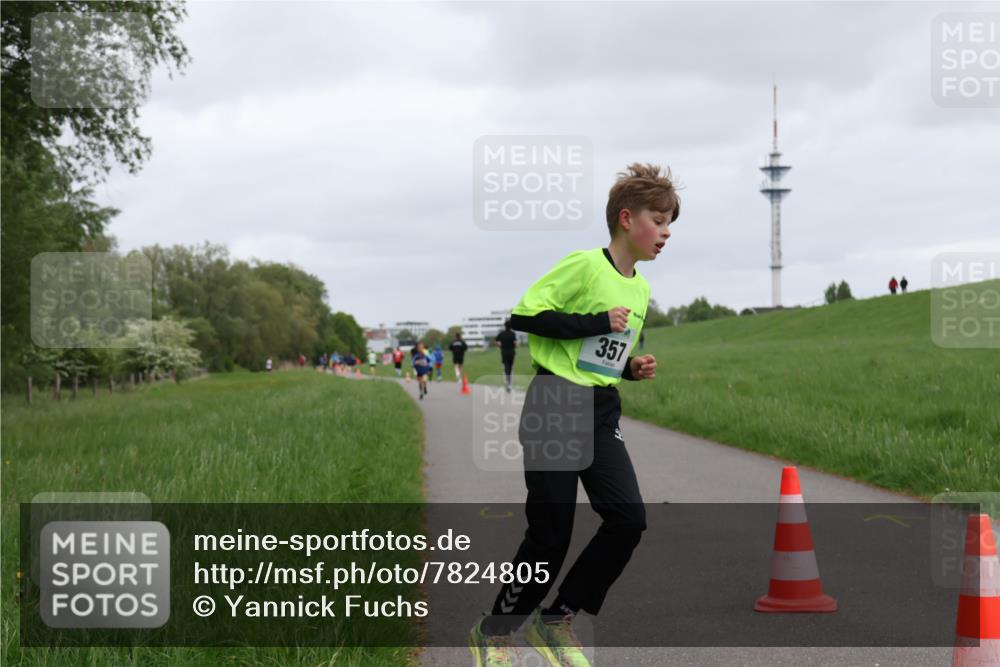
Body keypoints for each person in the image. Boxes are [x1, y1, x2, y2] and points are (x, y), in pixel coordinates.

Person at [468, 163, 673, 667]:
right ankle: (494, 634)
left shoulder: (641, 288)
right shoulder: (584, 265)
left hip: (601, 409)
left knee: (628, 520)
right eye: (659, 220)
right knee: (551, 534)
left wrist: (628, 368)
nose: (666, 233)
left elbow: (597, 353)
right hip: (555, 403)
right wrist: (595, 319)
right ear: (627, 219)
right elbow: (526, 316)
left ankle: (557, 617)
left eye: (671, 223)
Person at [494, 319, 517, 393]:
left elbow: (496, 341)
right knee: (510, 368)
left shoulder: (502, 334)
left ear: (505, 326)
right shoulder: (513, 334)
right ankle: (509, 383)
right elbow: (515, 343)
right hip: (511, 353)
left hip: (504, 352)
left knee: (506, 367)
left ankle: (507, 381)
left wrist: (500, 345)